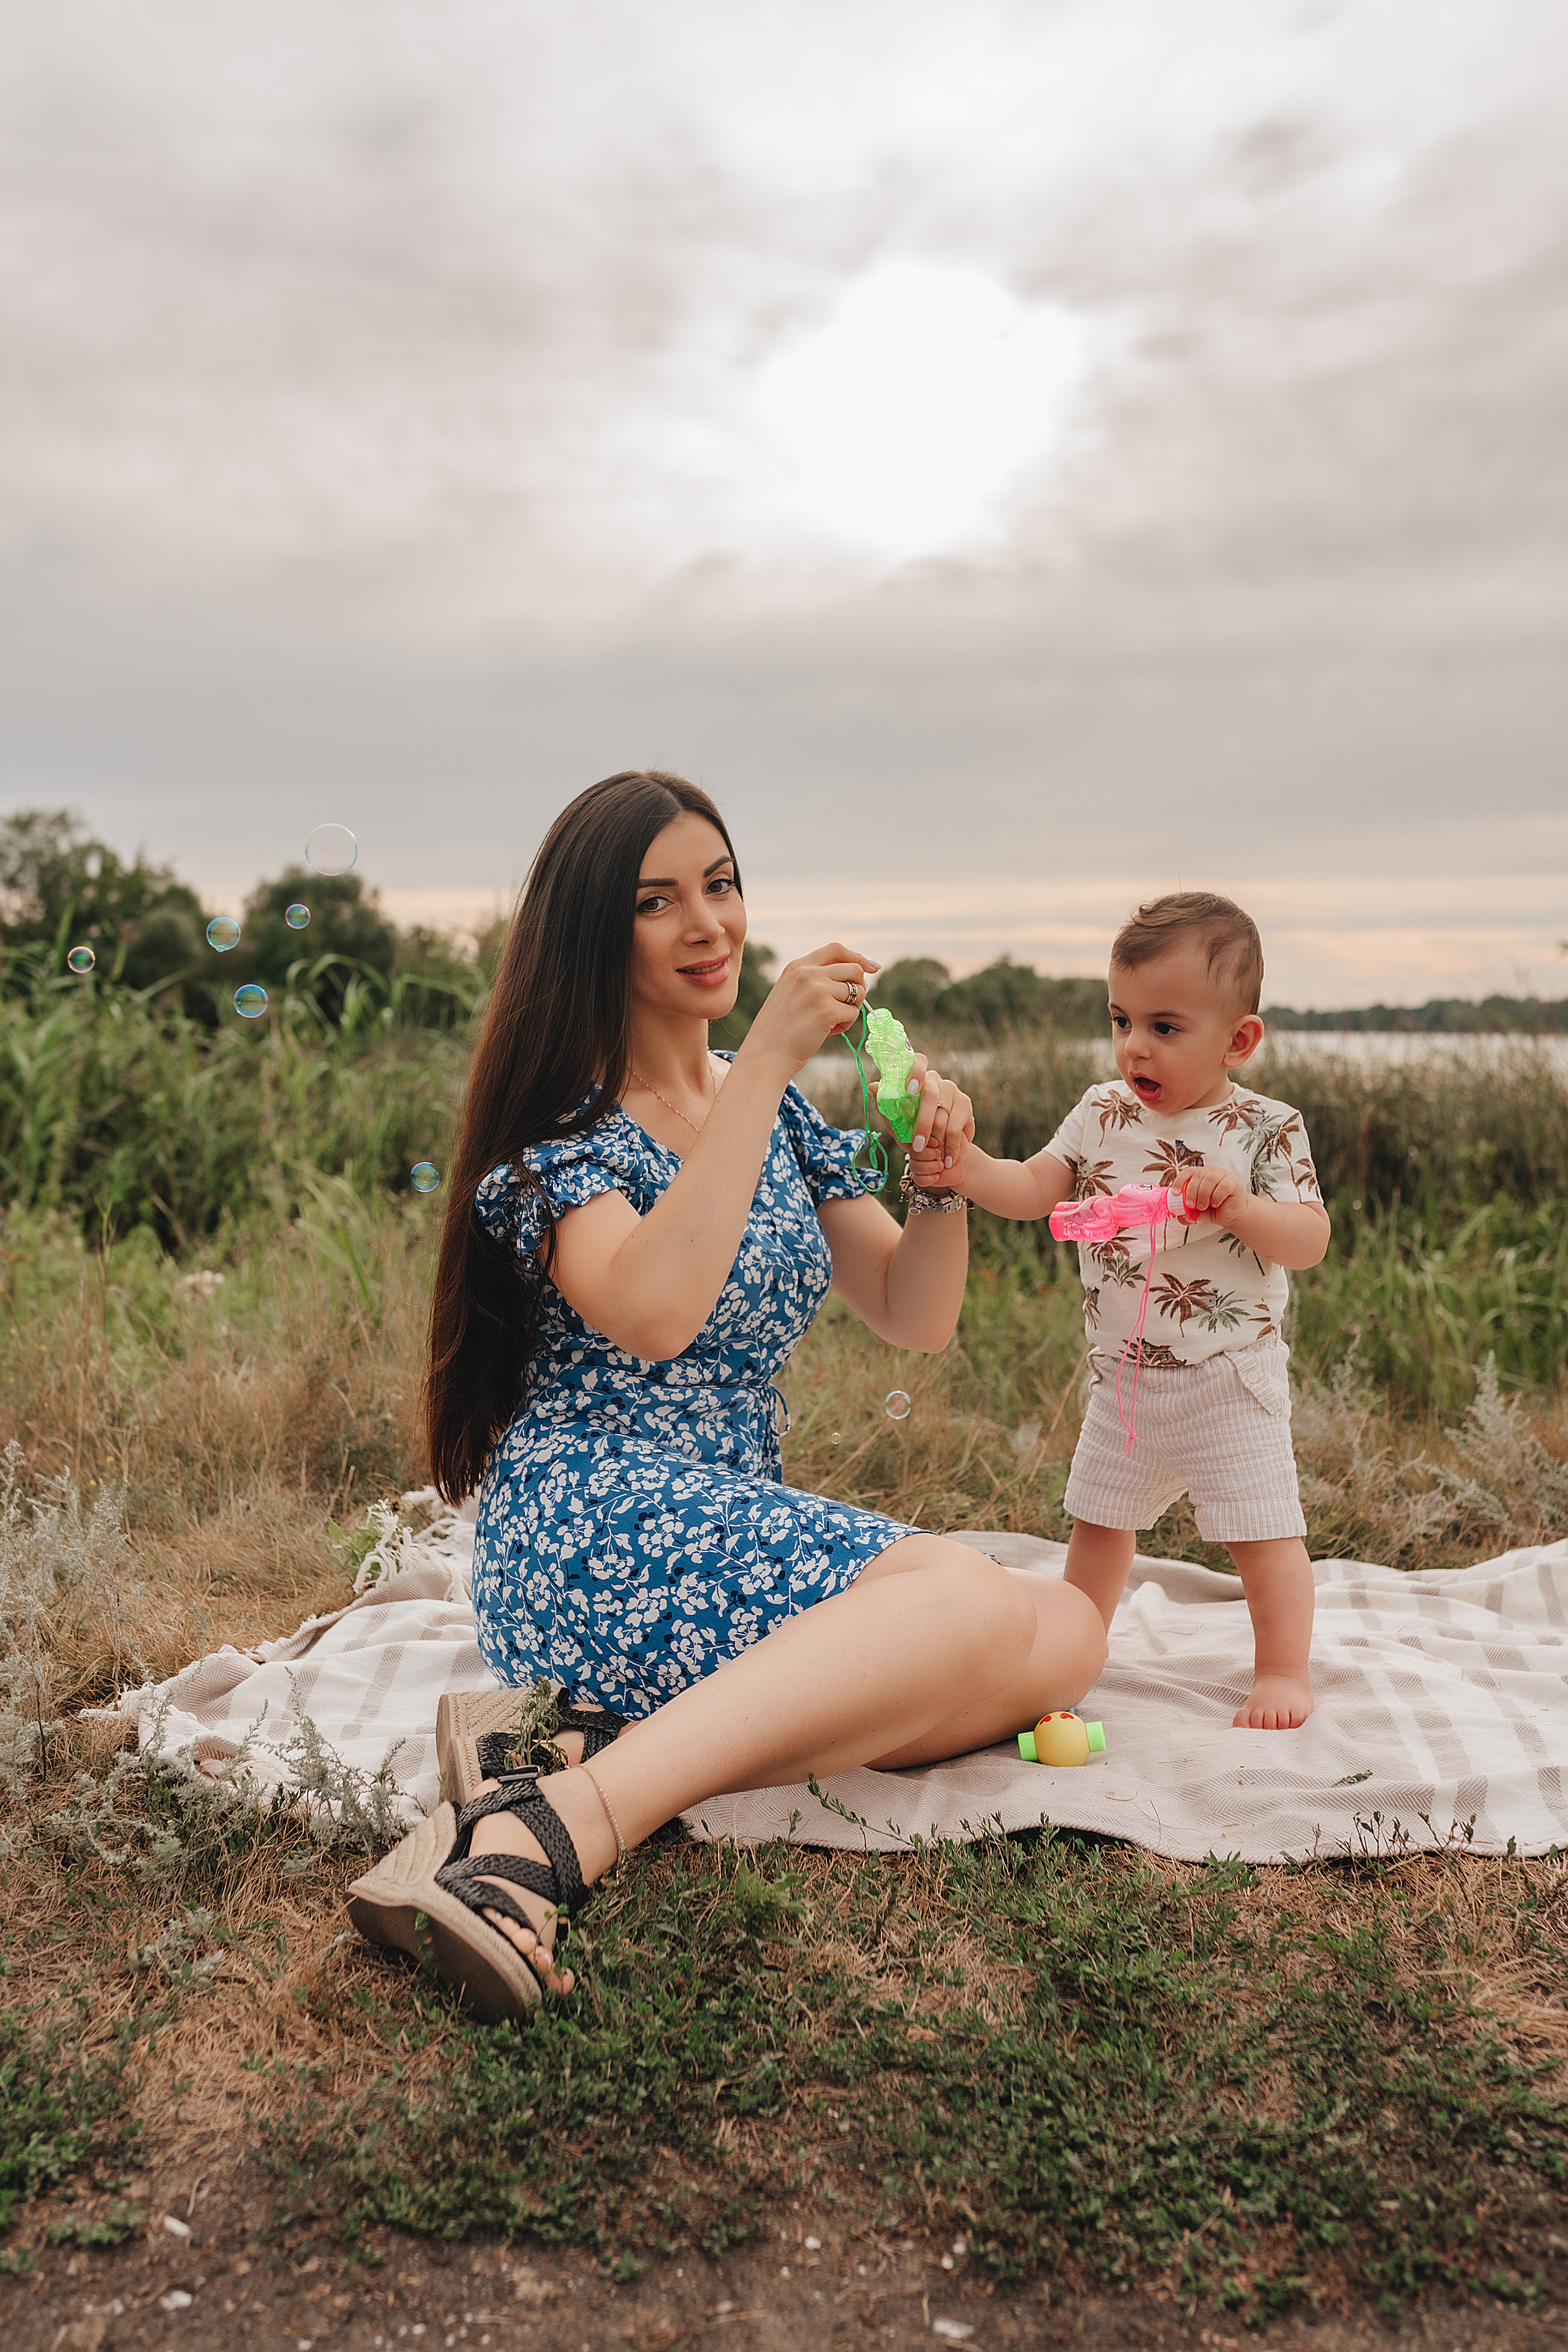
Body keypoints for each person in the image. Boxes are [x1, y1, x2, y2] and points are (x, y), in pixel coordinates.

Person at [347, 772, 1106, 2018]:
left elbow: (912, 1319)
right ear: (595, 932)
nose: (709, 924)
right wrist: (755, 1064)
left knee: (1069, 1632)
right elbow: (652, 1310)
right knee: (968, 1604)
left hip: (721, 1522)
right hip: (591, 1521)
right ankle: (545, 1838)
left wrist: (938, 1181)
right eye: (659, 901)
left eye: (721, 885)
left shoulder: (786, 1115)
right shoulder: (559, 1134)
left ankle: (560, 1745)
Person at [910, 891, 1329, 1733]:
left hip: (1228, 1378)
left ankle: (1281, 1671)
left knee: (1263, 1533)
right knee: (1098, 1525)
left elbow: (1309, 1239)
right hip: (1125, 1379)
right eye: (1121, 1019)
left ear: (1238, 1039)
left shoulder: (1265, 1131)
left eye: (1165, 1027)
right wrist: (967, 1170)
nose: (1135, 1045)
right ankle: (1071, 1654)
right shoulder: (1103, 1112)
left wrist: (1242, 1209)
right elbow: (1033, 1188)